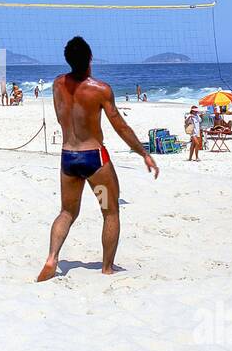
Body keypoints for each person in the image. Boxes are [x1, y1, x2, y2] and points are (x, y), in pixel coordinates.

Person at [37, 36, 159, 281]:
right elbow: (120, 127)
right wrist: (143, 153)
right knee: (110, 211)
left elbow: (62, 116)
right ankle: (107, 267)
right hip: (94, 161)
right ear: (90, 59)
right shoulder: (100, 90)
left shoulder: (57, 84)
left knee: (67, 212)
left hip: (69, 159)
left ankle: (52, 257)